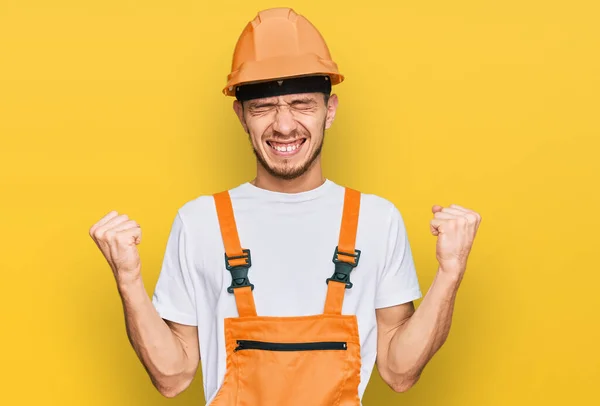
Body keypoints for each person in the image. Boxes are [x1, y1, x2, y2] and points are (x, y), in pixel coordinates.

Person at [89, 7, 481, 405]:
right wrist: (128, 279)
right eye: (264, 107)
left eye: (301, 104)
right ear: (241, 115)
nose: (285, 126)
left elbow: (399, 372)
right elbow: (172, 378)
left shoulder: (376, 220)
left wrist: (450, 273)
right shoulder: (200, 222)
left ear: (330, 110)